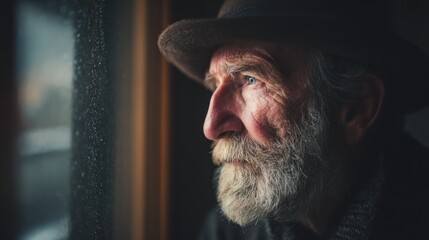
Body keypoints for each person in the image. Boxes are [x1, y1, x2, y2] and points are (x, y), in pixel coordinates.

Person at [158, 0, 429, 239]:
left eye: (252, 79)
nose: (211, 126)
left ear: (357, 107)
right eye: (214, 85)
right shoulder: (225, 232)